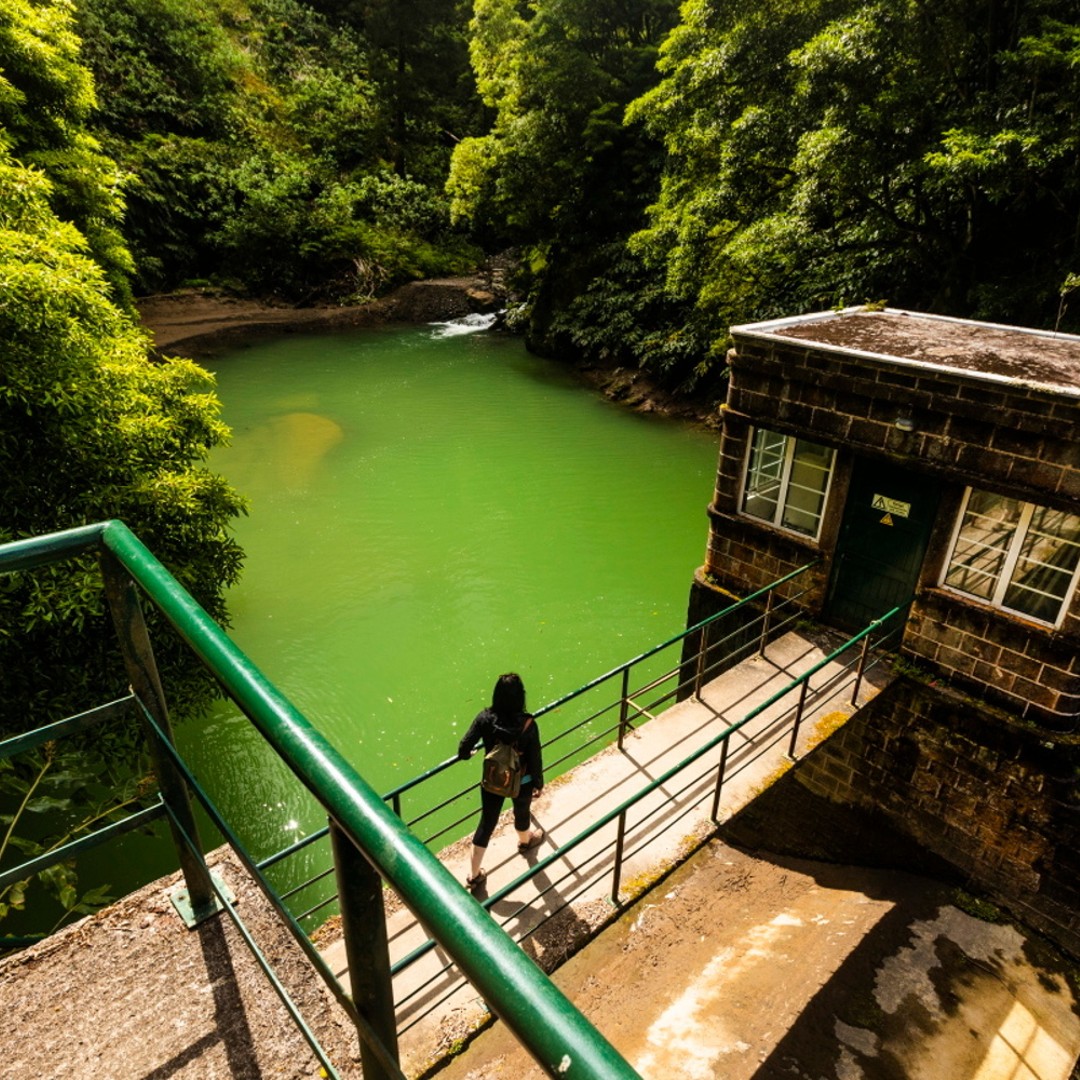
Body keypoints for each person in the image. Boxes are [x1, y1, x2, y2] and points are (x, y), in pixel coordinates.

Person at [457, 672, 544, 892]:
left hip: (493, 780)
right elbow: (535, 756)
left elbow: (464, 748)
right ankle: (525, 842)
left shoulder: (485, 718)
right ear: (521, 696)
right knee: (522, 811)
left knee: (487, 823)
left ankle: (474, 875)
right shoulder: (528, 724)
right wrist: (538, 782)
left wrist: (471, 753)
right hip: (522, 779)